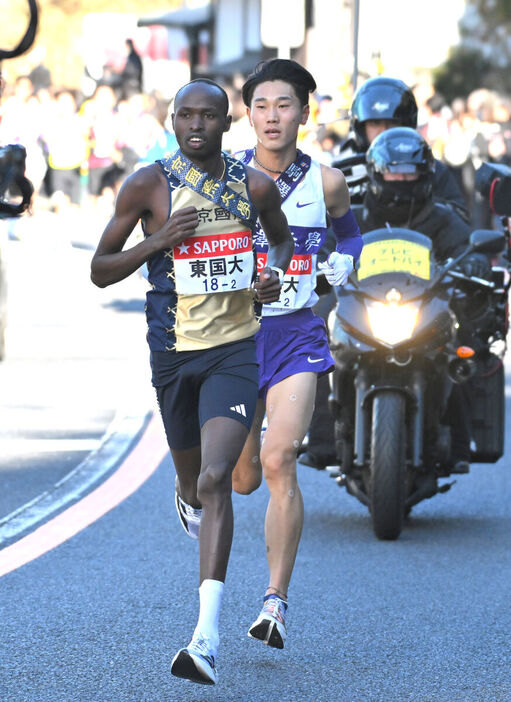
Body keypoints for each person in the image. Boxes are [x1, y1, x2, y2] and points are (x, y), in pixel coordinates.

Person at [90, 78, 295, 686]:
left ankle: (204, 638)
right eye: (187, 116)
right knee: (190, 477)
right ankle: (186, 493)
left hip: (234, 352)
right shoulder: (147, 184)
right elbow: (100, 270)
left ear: (227, 125)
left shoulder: (252, 184)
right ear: (173, 121)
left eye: (210, 116)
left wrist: (272, 275)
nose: (198, 125)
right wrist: (158, 240)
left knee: (217, 478)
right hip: (173, 354)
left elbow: (280, 241)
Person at [225, 58, 361, 649]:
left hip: (297, 334)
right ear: (247, 114)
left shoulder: (326, 180)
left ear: (305, 111)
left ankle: (275, 603)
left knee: (281, 460)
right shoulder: (224, 178)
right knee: (244, 479)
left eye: (284, 105)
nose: (272, 116)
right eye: (261, 106)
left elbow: (350, 232)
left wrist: (343, 263)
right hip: (233, 337)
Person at [300, 75, 470, 471]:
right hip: (356, 276)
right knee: (312, 325)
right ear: (360, 128)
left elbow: (455, 221)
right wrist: (314, 261)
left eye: (391, 125)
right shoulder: (338, 169)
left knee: (463, 336)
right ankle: (322, 436)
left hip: (419, 277)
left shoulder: (431, 167)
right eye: (374, 126)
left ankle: (459, 441)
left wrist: (463, 259)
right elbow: (313, 224)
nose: (382, 133)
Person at [357, 126, 490, 472]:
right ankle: (323, 438)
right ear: (377, 173)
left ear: (426, 175)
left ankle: (460, 446)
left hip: (423, 309)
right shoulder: (358, 214)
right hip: (368, 306)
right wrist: (322, 260)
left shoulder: (441, 216)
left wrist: (474, 261)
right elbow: (329, 242)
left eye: (409, 172)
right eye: (394, 171)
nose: (401, 179)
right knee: (324, 347)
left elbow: (466, 248)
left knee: (461, 349)